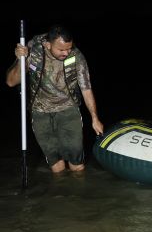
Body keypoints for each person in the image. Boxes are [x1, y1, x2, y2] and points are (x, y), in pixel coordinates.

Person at [5, 24, 103, 173]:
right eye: (61, 49)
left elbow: (86, 88)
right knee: (56, 166)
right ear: (47, 44)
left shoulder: (76, 56)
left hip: (68, 110)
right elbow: (11, 82)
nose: (66, 52)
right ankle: (58, 195)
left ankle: (78, 194)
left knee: (76, 164)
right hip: (40, 112)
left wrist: (94, 118)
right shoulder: (33, 50)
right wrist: (20, 60)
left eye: (68, 48)